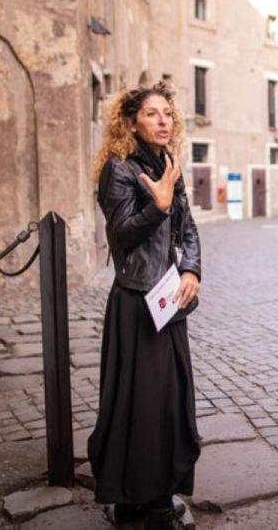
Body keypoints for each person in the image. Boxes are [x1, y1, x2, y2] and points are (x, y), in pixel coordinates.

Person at [88, 82, 202, 530]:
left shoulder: (169, 164)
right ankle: (145, 502)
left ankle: (149, 495)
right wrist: (157, 205)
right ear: (131, 120)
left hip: (168, 298)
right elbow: (120, 235)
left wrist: (191, 269)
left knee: (170, 400)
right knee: (141, 405)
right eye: (152, 114)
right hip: (136, 304)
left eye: (168, 114)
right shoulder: (118, 169)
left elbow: (187, 226)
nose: (163, 121)